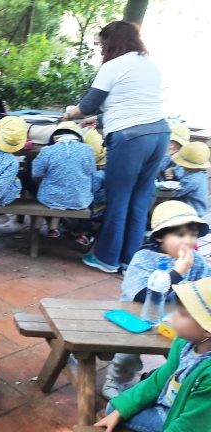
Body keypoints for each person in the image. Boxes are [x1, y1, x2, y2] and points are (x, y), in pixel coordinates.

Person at [63, 21, 171, 273]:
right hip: (159, 134)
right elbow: (134, 104)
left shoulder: (113, 65)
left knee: (118, 199)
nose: (102, 49)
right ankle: (130, 261)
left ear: (112, 42)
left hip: (130, 139)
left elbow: (87, 105)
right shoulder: (150, 65)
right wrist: (99, 120)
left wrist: (69, 114)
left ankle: (107, 259)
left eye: (103, 44)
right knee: (140, 200)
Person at [102, 201, 211, 400]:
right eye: (181, 235)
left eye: (193, 235)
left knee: (188, 350)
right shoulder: (144, 257)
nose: (188, 241)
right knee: (128, 353)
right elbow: (141, 295)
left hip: (176, 320)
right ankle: (116, 379)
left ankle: (171, 380)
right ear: (160, 236)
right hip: (136, 317)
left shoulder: (196, 261)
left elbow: (205, 287)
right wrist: (178, 273)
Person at [94, 276, 211, 432]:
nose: (170, 318)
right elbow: (159, 379)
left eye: (182, 314)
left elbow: (191, 425)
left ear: (207, 330)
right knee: (115, 408)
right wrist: (121, 409)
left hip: (181, 416)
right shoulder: (183, 344)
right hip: (172, 403)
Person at [30, 121, 96, 237]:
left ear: (55, 137)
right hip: (80, 201)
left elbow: (36, 173)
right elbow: (92, 172)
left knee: (40, 187)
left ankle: (53, 227)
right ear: (78, 137)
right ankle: (84, 233)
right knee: (90, 190)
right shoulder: (88, 150)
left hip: (50, 200)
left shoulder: (47, 151)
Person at [170, 141, 210, 216]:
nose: (181, 165)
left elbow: (175, 193)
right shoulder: (200, 174)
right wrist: (173, 170)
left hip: (193, 214)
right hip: (196, 210)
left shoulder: (192, 179)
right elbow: (180, 172)